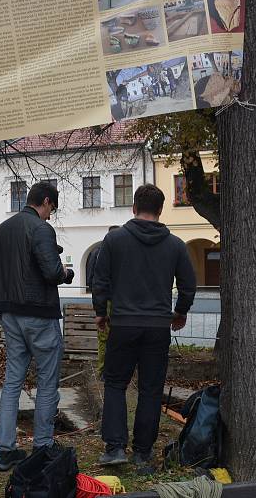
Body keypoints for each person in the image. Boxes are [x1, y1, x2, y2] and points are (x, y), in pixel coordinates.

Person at [93, 185, 196, 472]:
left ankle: (115, 448)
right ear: (161, 210)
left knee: (115, 384)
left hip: (123, 324)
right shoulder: (175, 245)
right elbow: (189, 286)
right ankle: (142, 451)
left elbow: (100, 281)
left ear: (134, 207)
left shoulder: (114, 240)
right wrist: (180, 313)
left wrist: (101, 313)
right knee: (151, 389)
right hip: (157, 327)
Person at [0, 181, 75, 471]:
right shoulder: (41, 229)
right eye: (52, 209)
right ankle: (42, 446)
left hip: (9, 313)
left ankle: (4, 450)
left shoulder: (1, 230)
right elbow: (51, 271)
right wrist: (65, 272)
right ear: (46, 201)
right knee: (48, 381)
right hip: (39, 313)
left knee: (12, 381)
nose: (51, 215)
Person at [88, 226, 120, 378]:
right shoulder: (122, 252)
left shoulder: (97, 252)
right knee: (119, 336)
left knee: (103, 338)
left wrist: (98, 307)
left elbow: (92, 282)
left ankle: (103, 371)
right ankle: (115, 370)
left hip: (104, 300)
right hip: (120, 301)